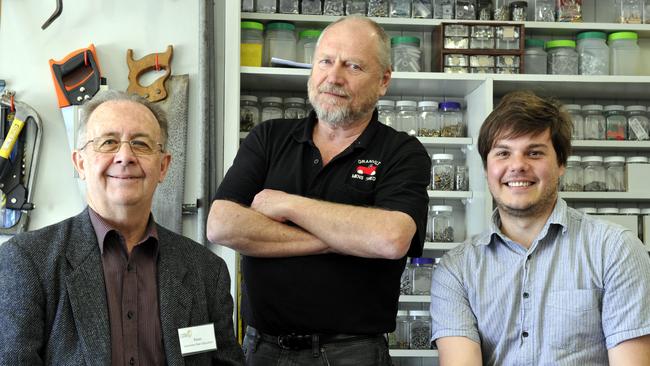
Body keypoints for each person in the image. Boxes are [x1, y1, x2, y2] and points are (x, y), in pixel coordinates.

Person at [207, 16, 431, 365]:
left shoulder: (402, 152)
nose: (334, 76)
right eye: (325, 61)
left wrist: (287, 204)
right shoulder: (268, 138)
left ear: (384, 80)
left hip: (354, 353)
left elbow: (390, 239)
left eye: (353, 66)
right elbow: (222, 224)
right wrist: (344, 238)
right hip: (262, 349)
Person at [0, 90, 244, 365]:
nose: (125, 156)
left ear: (163, 167)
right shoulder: (27, 261)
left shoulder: (207, 272)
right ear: (80, 163)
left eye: (140, 144)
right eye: (108, 142)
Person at [430, 90, 650, 365]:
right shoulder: (457, 270)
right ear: (487, 169)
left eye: (534, 152)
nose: (518, 165)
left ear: (561, 164)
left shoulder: (616, 250)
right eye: (503, 153)